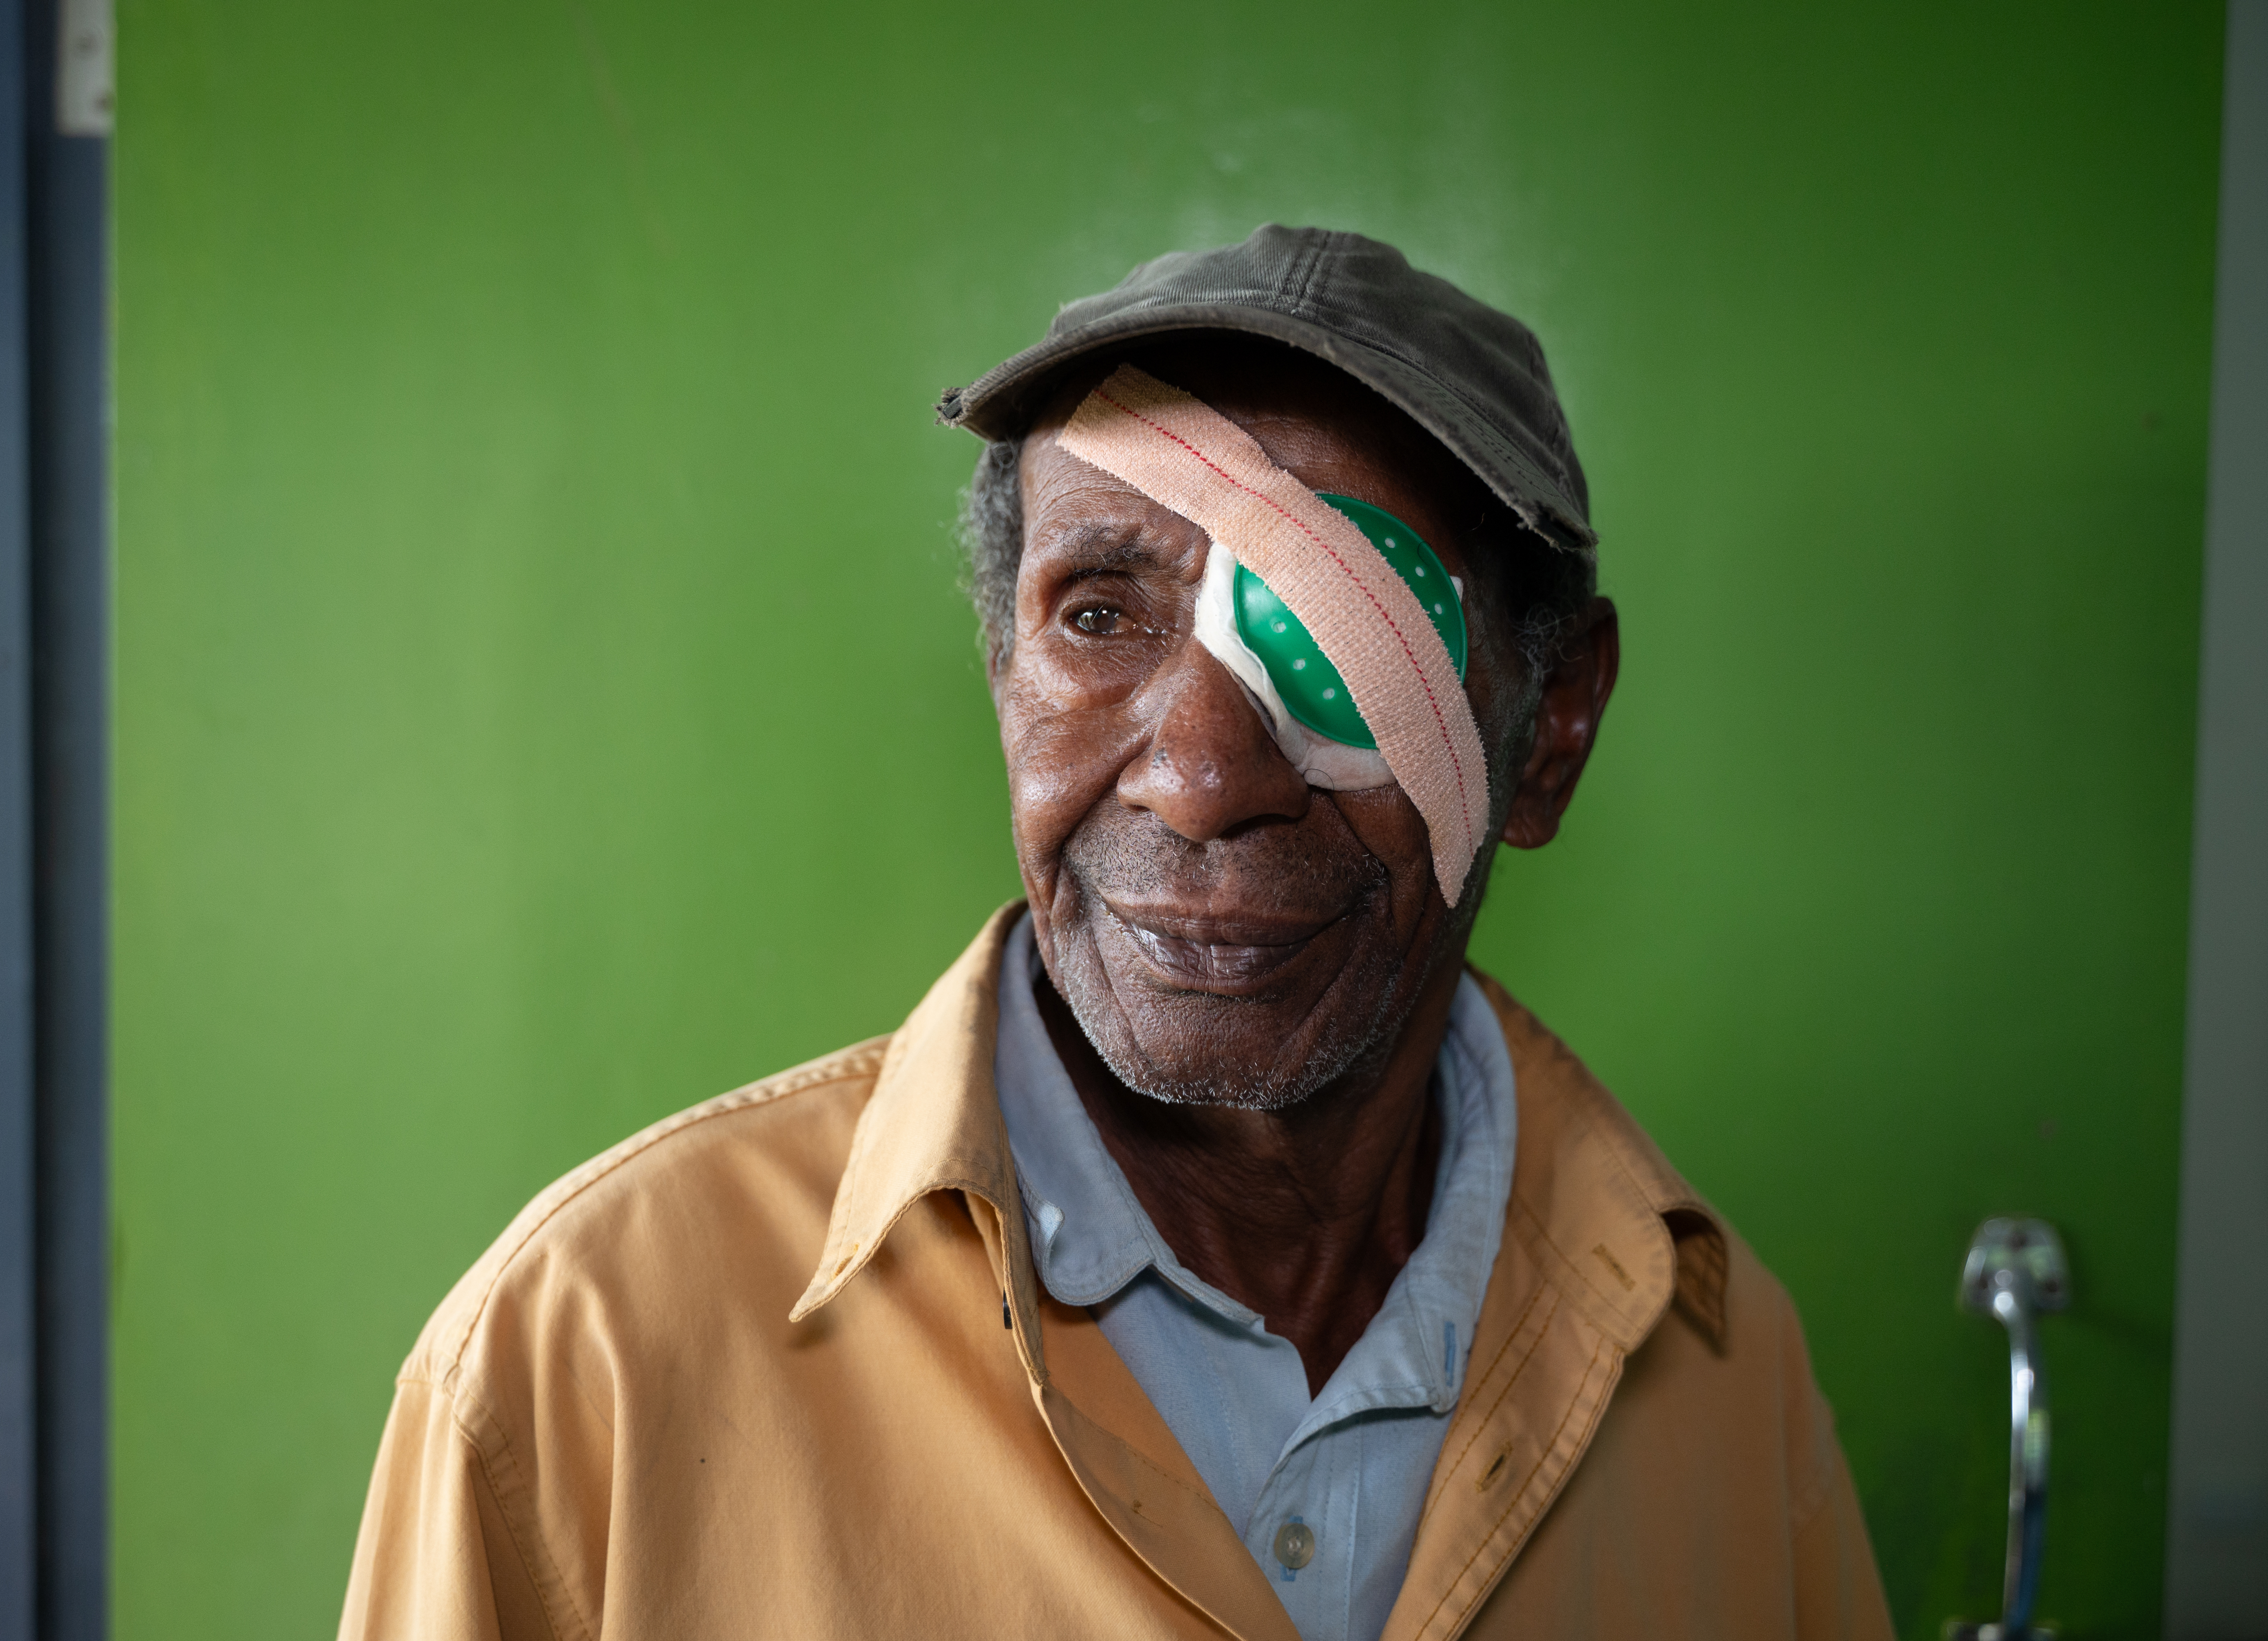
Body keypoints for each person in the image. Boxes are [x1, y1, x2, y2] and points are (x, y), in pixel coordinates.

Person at [338, 225, 1895, 1641]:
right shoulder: (577, 1368)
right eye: (1099, 613)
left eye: (1347, 628)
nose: (1204, 777)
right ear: (1005, 672)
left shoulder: (1724, 1389)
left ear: (1549, 730)